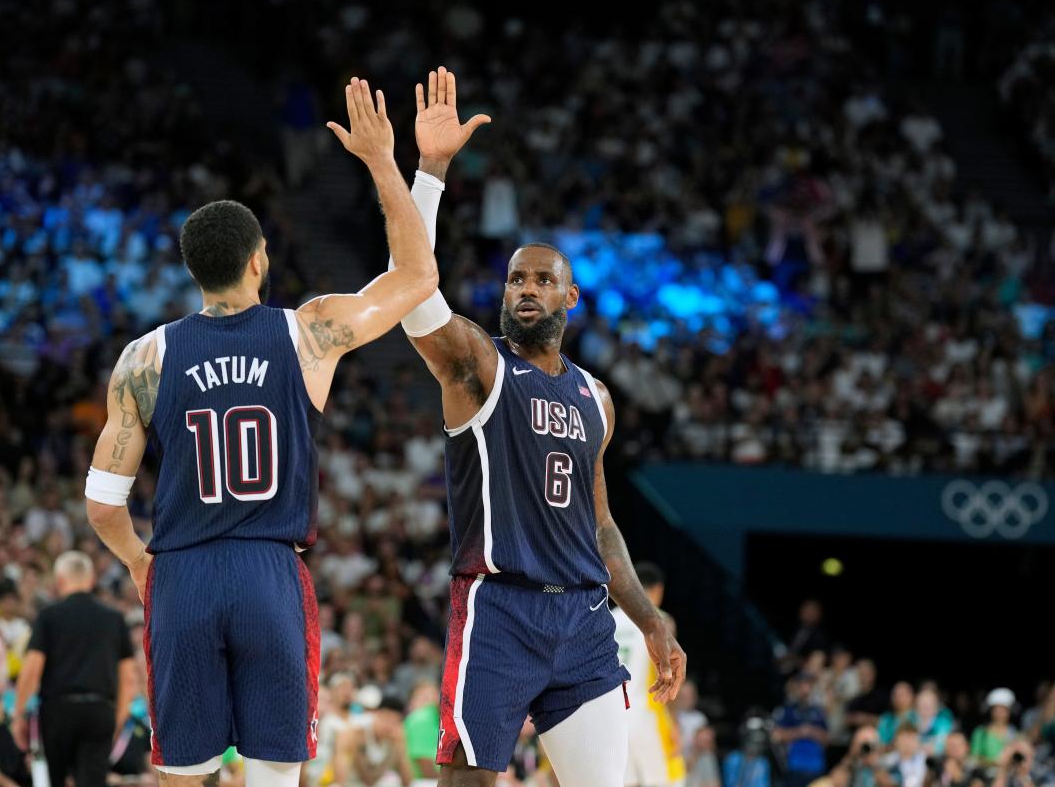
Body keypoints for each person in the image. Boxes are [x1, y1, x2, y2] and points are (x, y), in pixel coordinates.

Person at [82, 74, 440, 787]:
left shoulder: (143, 357)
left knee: (183, 773)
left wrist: (138, 562)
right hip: (269, 571)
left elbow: (100, 505)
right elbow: (417, 275)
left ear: (194, 272)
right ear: (258, 260)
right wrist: (382, 160)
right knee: (277, 772)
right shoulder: (308, 332)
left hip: (181, 570)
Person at [401, 66, 685, 786]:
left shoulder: (596, 396)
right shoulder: (480, 368)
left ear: (570, 296)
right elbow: (412, 295)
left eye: (541, 280)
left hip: (586, 623)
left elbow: (601, 525)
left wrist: (650, 621)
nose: (525, 289)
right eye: (516, 280)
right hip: (499, 610)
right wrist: (431, 171)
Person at [11, 552, 136, 787]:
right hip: (100, 710)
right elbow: (129, 678)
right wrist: (117, 720)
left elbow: (31, 670)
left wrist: (18, 714)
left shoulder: (48, 616)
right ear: (91, 581)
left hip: (57, 711)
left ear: (59, 581)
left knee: (53, 781)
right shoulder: (114, 618)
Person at [614, 563, 686, 787]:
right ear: (658, 590)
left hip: (615, 714)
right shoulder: (661, 620)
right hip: (647, 712)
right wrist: (674, 722)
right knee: (669, 780)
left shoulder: (610, 618)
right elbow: (669, 674)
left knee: (626, 783)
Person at [333, 694, 412, 786]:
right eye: (386, 718)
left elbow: (407, 782)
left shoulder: (395, 738)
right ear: (377, 714)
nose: (389, 725)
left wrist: (402, 747)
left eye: (394, 721)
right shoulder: (355, 731)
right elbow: (340, 774)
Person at [773, 671, 830, 787]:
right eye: (802, 685)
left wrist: (813, 732)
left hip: (816, 766)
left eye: (809, 685)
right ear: (796, 687)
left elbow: (827, 739)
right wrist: (801, 732)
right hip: (794, 765)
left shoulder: (818, 711)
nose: (805, 688)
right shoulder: (787, 709)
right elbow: (777, 735)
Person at [971, 690, 1020, 768]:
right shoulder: (981, 732)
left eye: (1003, 709)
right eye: (996, 709)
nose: (999, 712)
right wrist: (992, 763)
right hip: (986, 775)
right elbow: (974, 758)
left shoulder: (1014, 732)